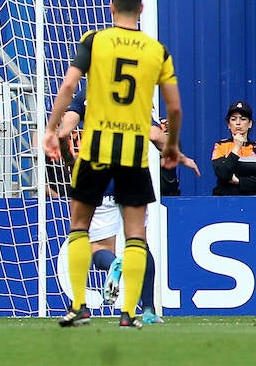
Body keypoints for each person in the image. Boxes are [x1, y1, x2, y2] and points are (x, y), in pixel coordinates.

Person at [43, 0, 182, 330]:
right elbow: (175, 109)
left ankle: (77, 306)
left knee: (79, 226)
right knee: (136, 234)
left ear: (110, 7)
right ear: (142, 9)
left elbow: (69, 86)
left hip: (96, 150)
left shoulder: (94, 41)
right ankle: (131, 312)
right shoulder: (157, 50)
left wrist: (50, 128)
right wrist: (173, 145)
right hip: (133, 153)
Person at [57, 86, 197, 325]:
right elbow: (155, 136)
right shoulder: (134, 94)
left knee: (97, 246)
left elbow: (63, 133)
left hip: (96, 175)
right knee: (138, 242)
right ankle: (149, 309)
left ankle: (112, 265)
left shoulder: (87, 93)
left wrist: (70, 161)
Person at [212, 100, 256, 195]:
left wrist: (239, 181)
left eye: (243, 119)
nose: (238, 123)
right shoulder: (220, 146)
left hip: (254, 201)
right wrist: (236, 148)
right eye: (233, 119)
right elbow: (222, 174)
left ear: (250, 124)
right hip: (226, 200)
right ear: (228, 124)